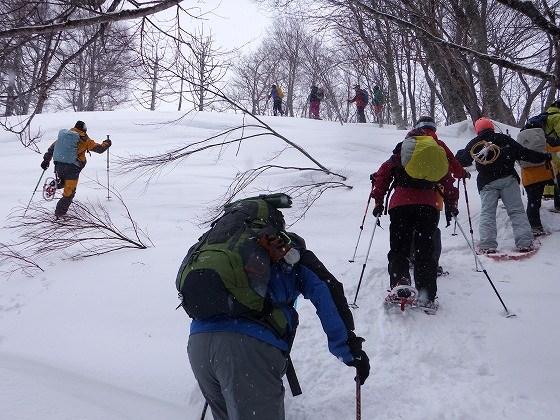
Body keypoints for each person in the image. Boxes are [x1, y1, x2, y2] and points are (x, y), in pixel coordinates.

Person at [180, 197, 370, 420]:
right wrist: (348, 350)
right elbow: (326, 291)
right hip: (248, 350)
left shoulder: (212, 246)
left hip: (199, 346)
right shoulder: (288, 251)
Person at [370, 116, 459, 309]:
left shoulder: (403, 148)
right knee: (425, 250)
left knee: (399, 248)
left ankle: (400, 284)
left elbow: (383, 174)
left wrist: (378, 199)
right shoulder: (436, 149)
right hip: (429, 204)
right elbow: (447, 180)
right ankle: (426, 294)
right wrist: (452, 202)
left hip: (401, 204)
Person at [455, 117, 551, 253]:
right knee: (516, 211)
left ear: (477, 130)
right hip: (508, 180)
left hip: (487, 183)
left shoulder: (475, 143)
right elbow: (524, 153)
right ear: (491, 127)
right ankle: (525, 242)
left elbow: (464, 160)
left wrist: (459, 154)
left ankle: (487, 245)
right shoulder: (504, 139)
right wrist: (544, 156)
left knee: (488, 213)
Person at [40, 121, 111, 218]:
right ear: (84, 129)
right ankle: (59, 215)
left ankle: (54, 184)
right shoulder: (83, 138)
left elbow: (52, 148)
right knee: (69, 193)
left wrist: (46, 160)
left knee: (64, 182)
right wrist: (106, 143)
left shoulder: (64, 137)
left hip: (59, 165)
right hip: (72, 168)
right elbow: (99, 149)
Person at [516, 101, 560, 234]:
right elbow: (554, 147)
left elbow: (515, 156)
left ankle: (535, 227)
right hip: (544, 173)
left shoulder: (520, 143)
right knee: (558, 184)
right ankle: (558, 205)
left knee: (533, 203)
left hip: (528, 177)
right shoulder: (543, 140)